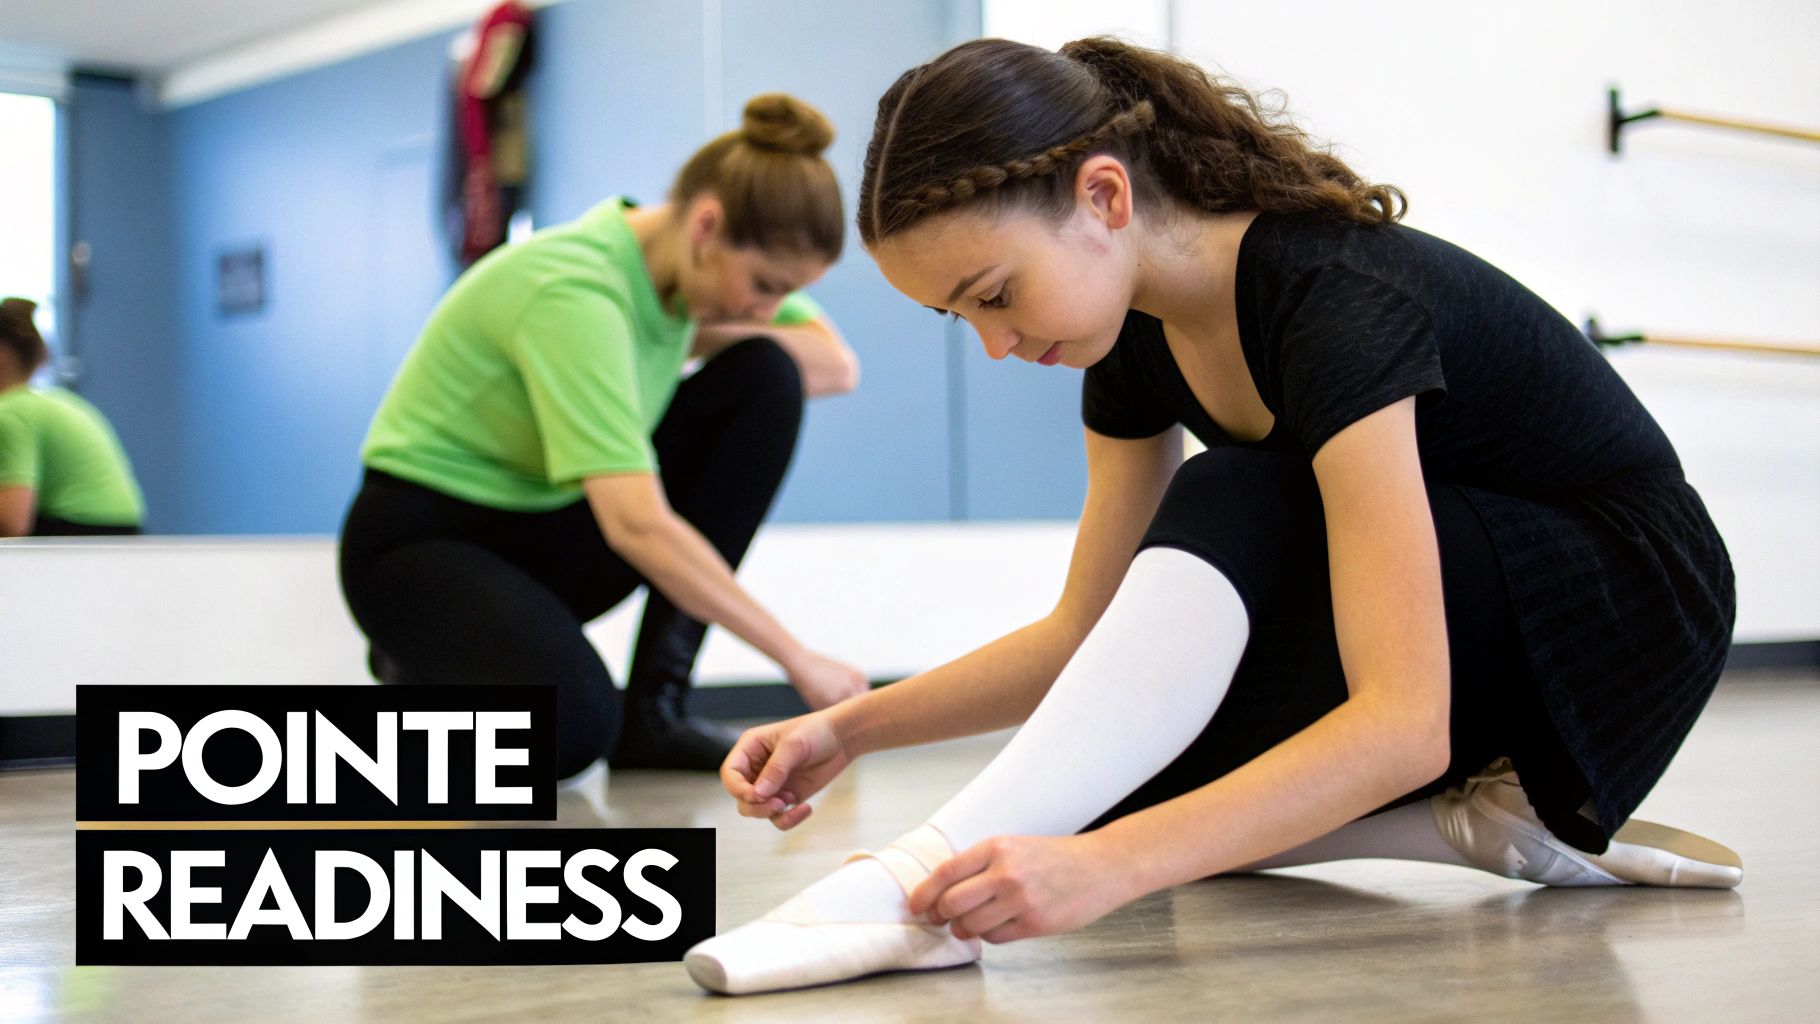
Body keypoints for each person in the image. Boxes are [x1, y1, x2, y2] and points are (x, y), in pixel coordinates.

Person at [684, 38, 1742, 995]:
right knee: (1106, 767)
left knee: (1224, 504)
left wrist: (1110, 866)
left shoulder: (1331, 302)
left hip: (1619, 606)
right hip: (1487, 609)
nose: (994, 347)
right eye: (960, 319)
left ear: (1103, 197)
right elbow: (1084, 639)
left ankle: (908, 886)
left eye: (995, 294)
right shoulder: (1129, 336)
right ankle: (1483, 825)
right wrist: (849, 725)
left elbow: (1402, 719)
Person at [338, 94, 869, 778]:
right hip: (422, 547)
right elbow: (638, 528)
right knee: (572, 731)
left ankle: (655, 711)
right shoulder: (576, 292)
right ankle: (425, 671)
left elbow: (835, 367)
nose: (766, 309)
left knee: (765, 375)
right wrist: (798, 659)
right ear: (707, 224)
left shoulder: (683, 281)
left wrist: (706, 331)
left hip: (545, 535)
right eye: (764, 285)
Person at [0, 297, 144, 537]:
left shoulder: (11, 413)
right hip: (125, 534)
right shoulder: (56, 401)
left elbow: (11, 524)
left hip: (81, 534)